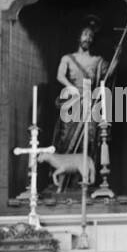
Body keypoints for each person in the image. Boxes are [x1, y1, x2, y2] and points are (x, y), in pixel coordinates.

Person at [52, 20, 108, 159]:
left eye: (90, 36)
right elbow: (60, 75)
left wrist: (118, 56)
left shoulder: (97, 60)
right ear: (78, 37)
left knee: (89, 140)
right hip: (73, 102)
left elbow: (109, 73)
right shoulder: (68, 58)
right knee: (66, 138)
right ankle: (64, 178)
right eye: (85, 34)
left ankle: (85, 177)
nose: (87, 38)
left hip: (90, 103)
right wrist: (71, 87)